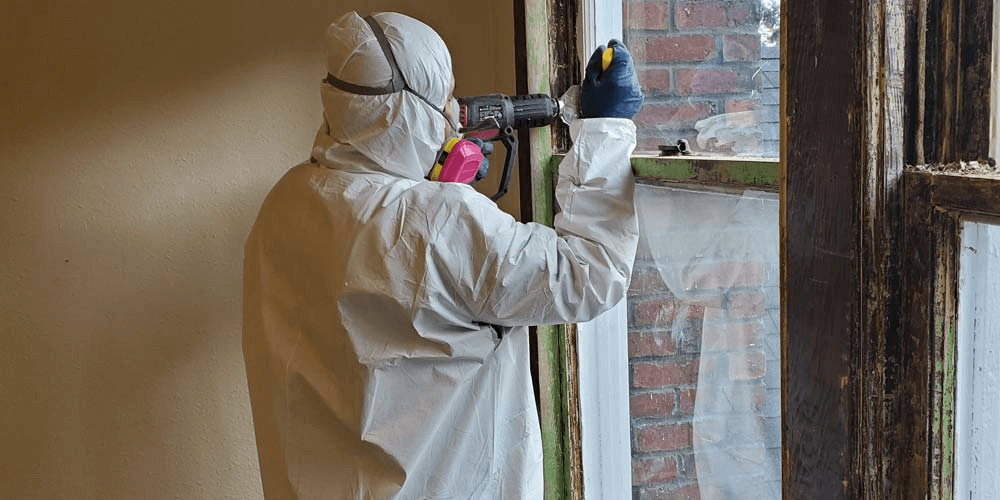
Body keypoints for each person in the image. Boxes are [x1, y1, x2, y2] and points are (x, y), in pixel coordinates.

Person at [243, 11, 643, 500]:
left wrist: (427, 190)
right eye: (446, 98)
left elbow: (379, 276)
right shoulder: (441, 223)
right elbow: (590, 269)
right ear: (408, 113)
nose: (456, 113)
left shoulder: (284, 203)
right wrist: (606, 130)